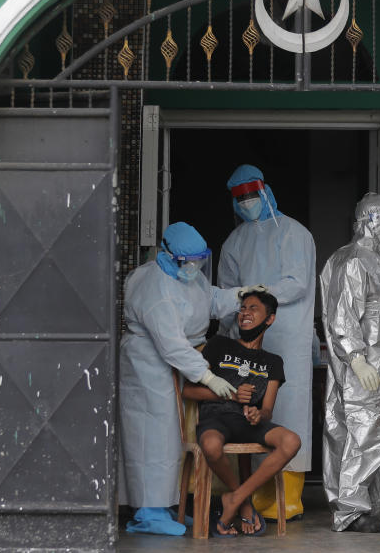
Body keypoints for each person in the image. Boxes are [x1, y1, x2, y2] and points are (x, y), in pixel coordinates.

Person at [119, 222, 255, 536]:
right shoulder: (154, 286)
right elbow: (172, 344)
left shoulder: (185, 275)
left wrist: (241, 295)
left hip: (172, 366)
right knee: (151, 436)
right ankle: (147, 512)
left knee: (172, 439)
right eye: (188, 262)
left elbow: (209, 300)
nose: (194, 267)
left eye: (199, 260)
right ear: (167, 254)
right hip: (147, 367)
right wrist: (207, 375)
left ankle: (167, 504)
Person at [218, 164, 316, 520]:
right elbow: (227, 294)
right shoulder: (235, 241)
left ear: (265, 192)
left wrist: (256, 293)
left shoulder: (294, 234)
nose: (246, 203)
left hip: (288, 338)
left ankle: (290, 496)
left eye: (250, 195)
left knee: (288, 409)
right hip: (249, 346)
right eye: (238, 198)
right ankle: (259, 494)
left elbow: (297, 284)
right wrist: (229, 334)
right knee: (254, 414)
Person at [319, 192, 380, 533]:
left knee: (377, 436)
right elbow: (341, 314)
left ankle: (374, 503)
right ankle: (351, 509)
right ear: (371, 221)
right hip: (365, 365)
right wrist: (356, 358)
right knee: (358, 433)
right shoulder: (353, 259)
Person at [183, 289, 302, 537]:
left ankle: (234, 497)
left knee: (291, 441)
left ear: (270, 319)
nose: (245, 313)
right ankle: (244, 502)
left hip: (248, 423)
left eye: (253, 308)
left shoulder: (273, 362)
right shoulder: (218, 345)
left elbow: (267, 409)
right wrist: (230, 394)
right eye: (243, 309)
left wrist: (260, 415)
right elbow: (189, 391)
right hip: (216, 418)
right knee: (211, 446)